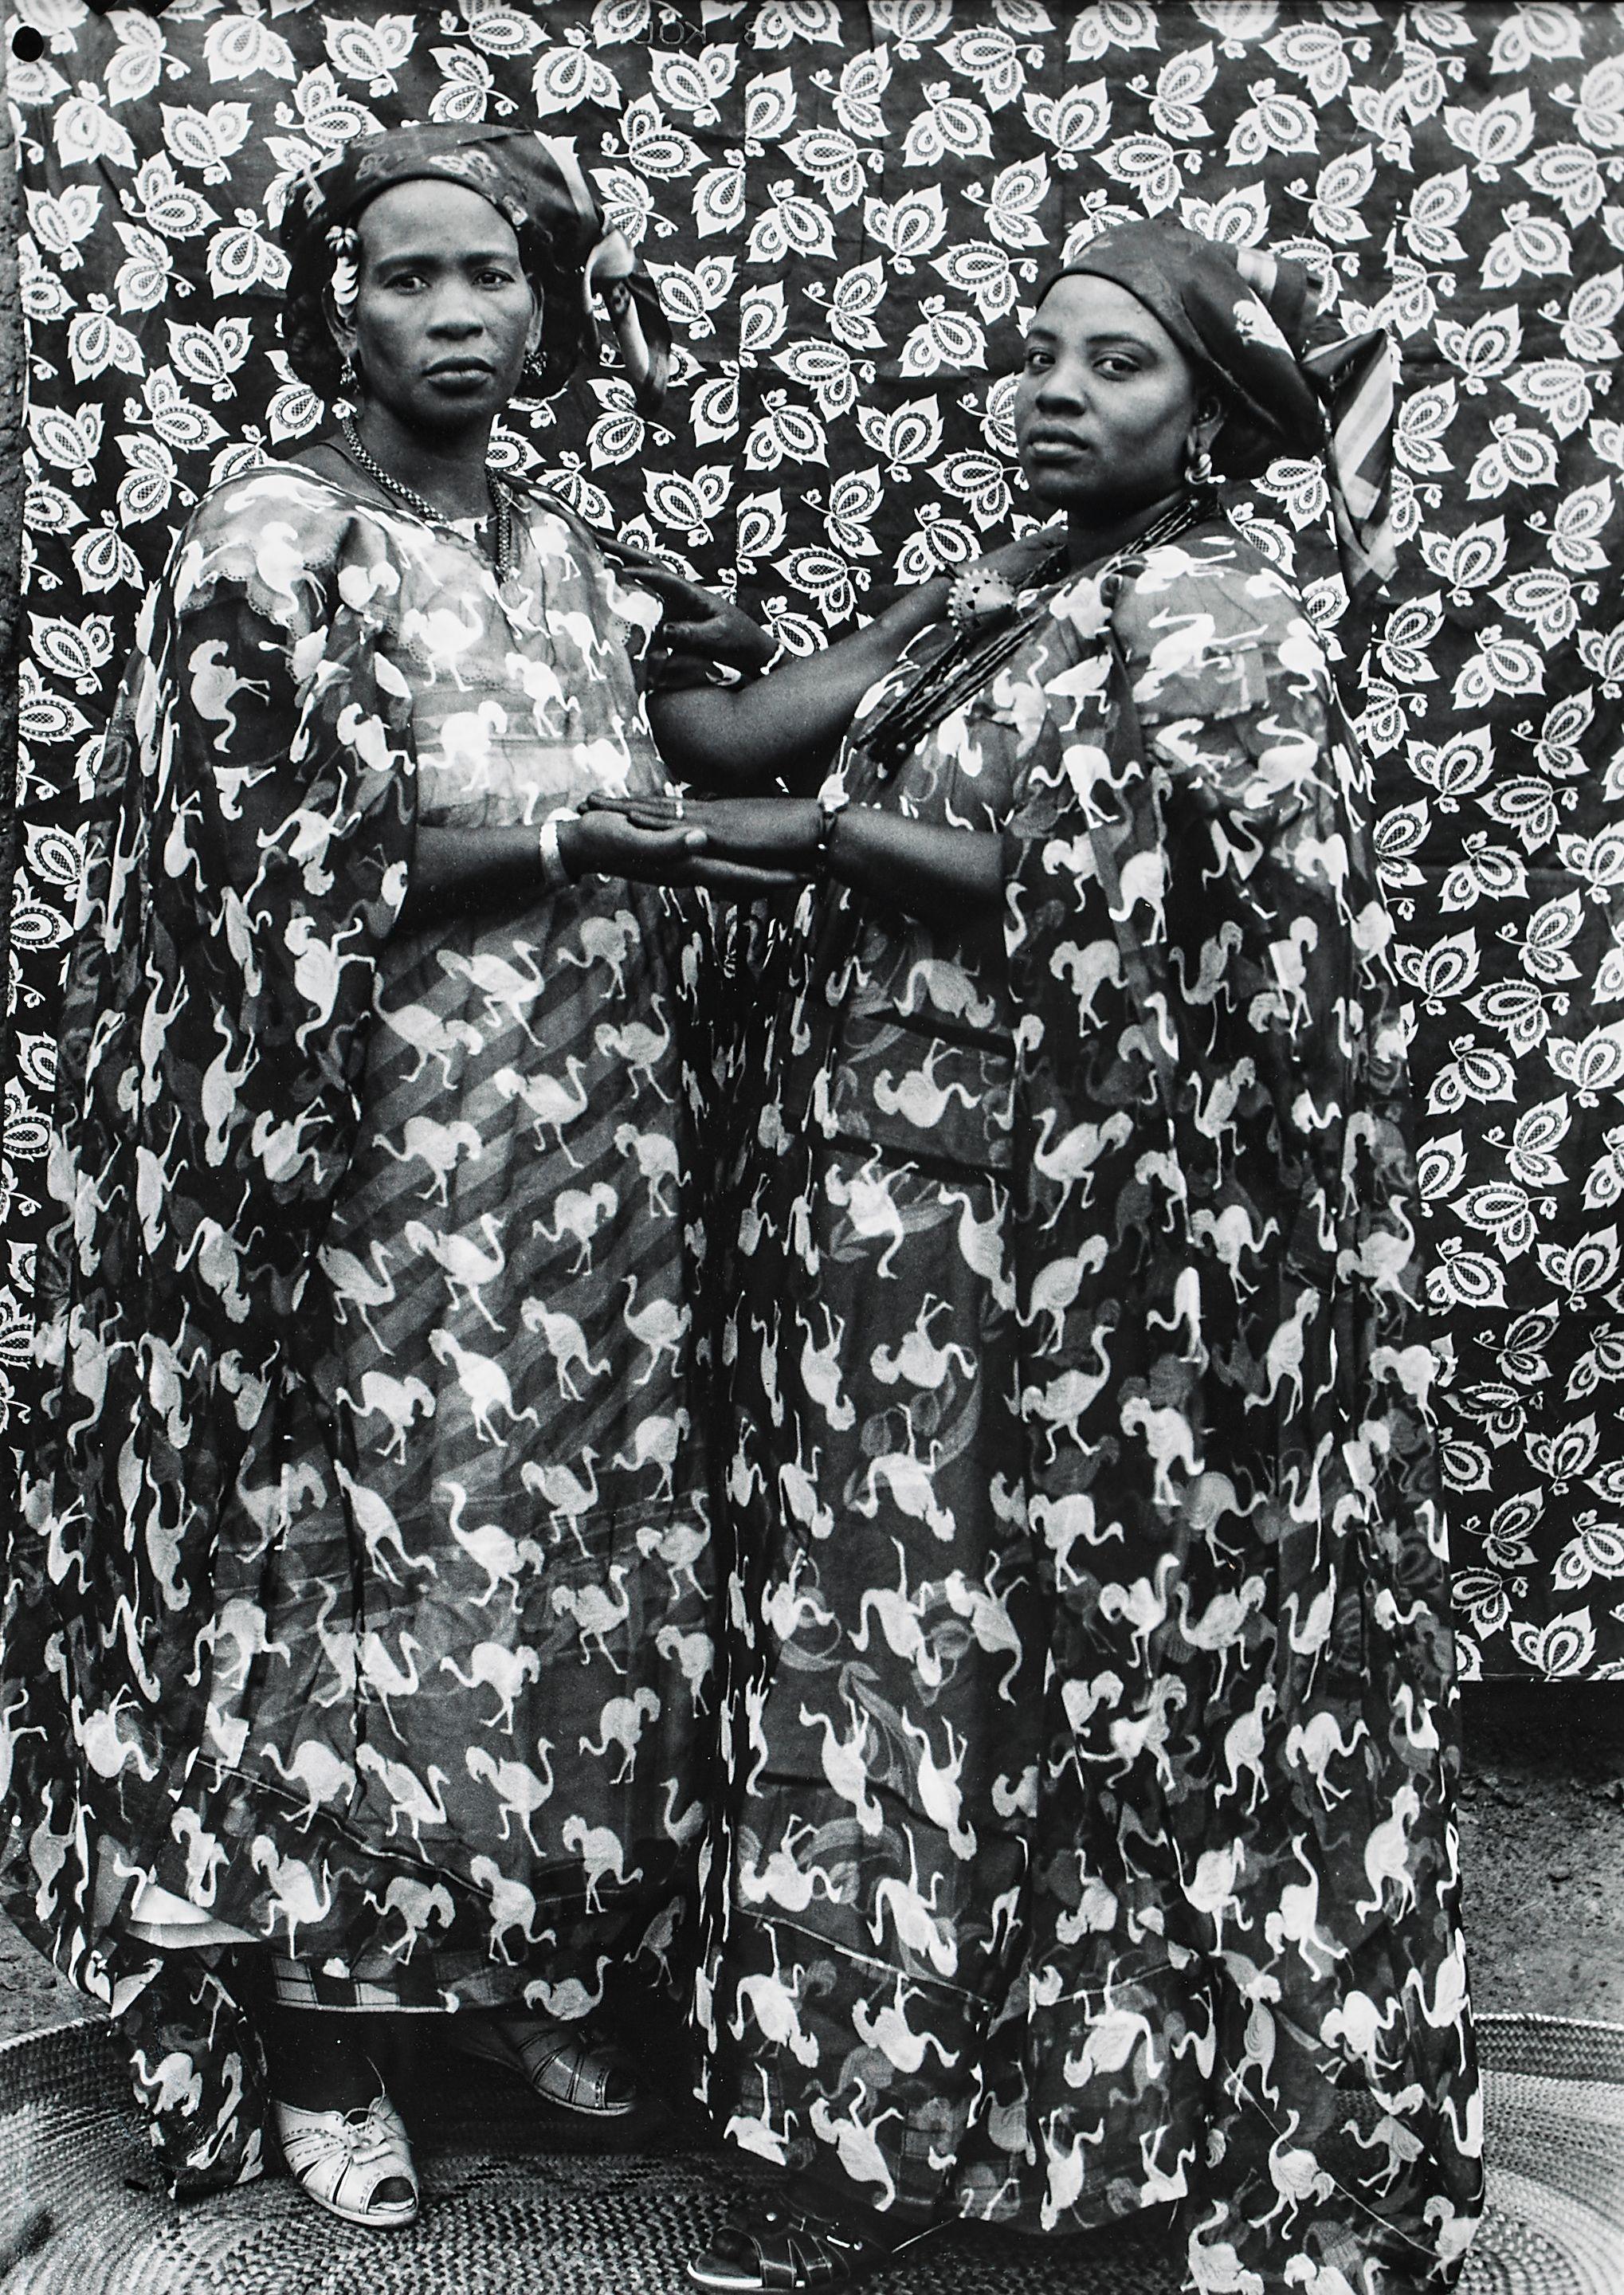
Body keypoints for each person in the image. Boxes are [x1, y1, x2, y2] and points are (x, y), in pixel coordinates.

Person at [1, 120, 1040, 2227]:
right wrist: (579, 846)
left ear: (551, 298)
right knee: (351, 1581)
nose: (454, 315)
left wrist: (972, 599)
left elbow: (726, 748)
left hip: (576, 1175)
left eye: (491, 277)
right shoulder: (274, 535)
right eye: (408, 277)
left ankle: (493, 1971)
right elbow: (254, 866)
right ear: (339, 297)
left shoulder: (556, 546)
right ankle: (318, 2032)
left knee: (543, 1588)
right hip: (351, 1165)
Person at [594, 222, 1484, 2293]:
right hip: (877, 1226)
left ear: (1212, 420)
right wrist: (682, 649)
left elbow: (1167, 914)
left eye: (1117, 366)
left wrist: (825, 846)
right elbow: (746, 747)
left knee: (1049, 1657)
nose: (1057, 394)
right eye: (1041, 354)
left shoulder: (1212, 614)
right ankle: (862, 2138)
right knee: (881, 1653)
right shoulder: (1010, 582)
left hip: (1081, 1230)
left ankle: (1103, 2128)